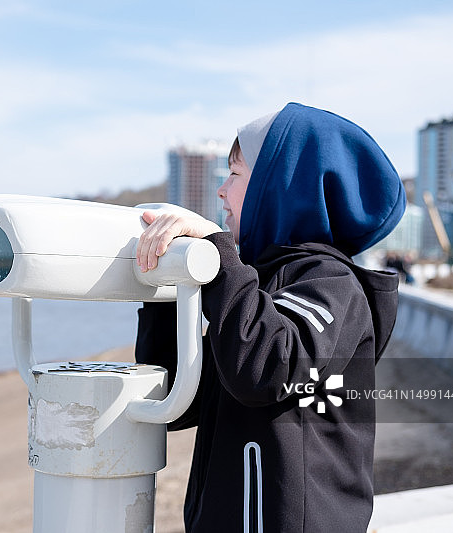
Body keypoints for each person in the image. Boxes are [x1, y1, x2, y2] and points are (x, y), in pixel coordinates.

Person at [135, 103, 405, 533]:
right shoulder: (255, 284)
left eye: (236, 175)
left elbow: (266, 370)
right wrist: (165, 290)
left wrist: (219, 253)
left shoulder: (330, 282)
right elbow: (174, 401)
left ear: (282, 188)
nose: (221, 191)